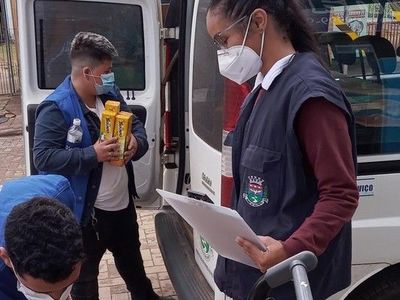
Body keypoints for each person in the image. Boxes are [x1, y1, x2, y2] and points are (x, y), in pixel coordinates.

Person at [206, 1, 359, 299]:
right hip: (253, 279)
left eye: (223, 40)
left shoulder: (311, 97)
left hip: (287, 281)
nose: (222, 52)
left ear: (259, 21)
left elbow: (341, 194)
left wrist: (290, 250)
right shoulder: (261, 90)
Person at [33, 32, 162, 300]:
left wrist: (136, 144)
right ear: (88, 72)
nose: (111, 77)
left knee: (134, 269)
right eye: (107, 71)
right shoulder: (57, 108)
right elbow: (43, 158)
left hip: (121, 207)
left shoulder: (109, 94)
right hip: (86, 216)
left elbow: (135, 125)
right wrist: (93, 154)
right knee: (85, 281)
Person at [0, 175, 84, 300]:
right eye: (43, 293)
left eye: (67, 286)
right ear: (6, 258)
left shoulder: (60, 191)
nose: (58, 298)